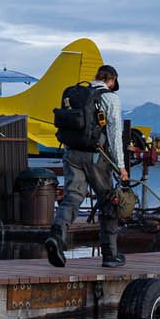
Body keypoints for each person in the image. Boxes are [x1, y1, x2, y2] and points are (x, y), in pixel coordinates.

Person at [44, 64, 128, 269]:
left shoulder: (76, 94)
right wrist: (121, 166)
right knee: (109, 201)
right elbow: (115, 134)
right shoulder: (110, 98)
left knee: (72, 197)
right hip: (96, 156)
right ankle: (110, 255)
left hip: (71, 152)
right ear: (113, 80)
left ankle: (57, 235)